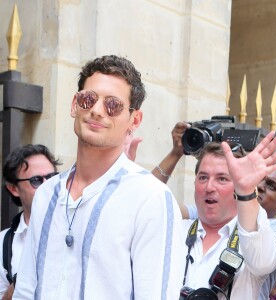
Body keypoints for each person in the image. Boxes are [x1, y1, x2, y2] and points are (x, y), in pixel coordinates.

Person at [13, 55, 183, 300]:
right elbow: (26, 291)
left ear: (134, 120)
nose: (96, 110)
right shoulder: (47, 194)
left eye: (113, 105)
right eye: (88, 99)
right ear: (74, 105)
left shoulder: (149, 198)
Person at [150, 122, 276, 299]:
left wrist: (246, 190)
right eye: (203, 177)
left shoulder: (256, 238)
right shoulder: (175, 229)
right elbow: (147, 202)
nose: (209, 187)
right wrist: (176, 153)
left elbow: (262, 262)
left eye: (222, 179)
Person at [0, 144, 61, 300]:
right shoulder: (3, 243)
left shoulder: (75, 225)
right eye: (36, 180)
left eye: (52, 177)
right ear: (14, 188)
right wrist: (22, 279)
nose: (48, 185)